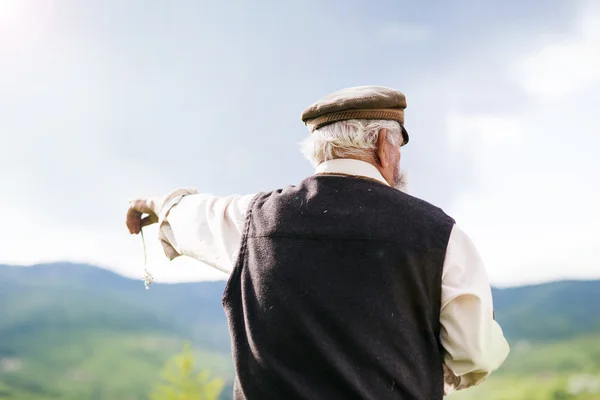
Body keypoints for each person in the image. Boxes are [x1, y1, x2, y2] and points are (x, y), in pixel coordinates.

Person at [126, 86, 510, 399]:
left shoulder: (252, 219)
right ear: (381, 144)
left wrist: (152, 204)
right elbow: (474, 355)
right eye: (398, 148)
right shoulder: (440, 234)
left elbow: (190, 213)